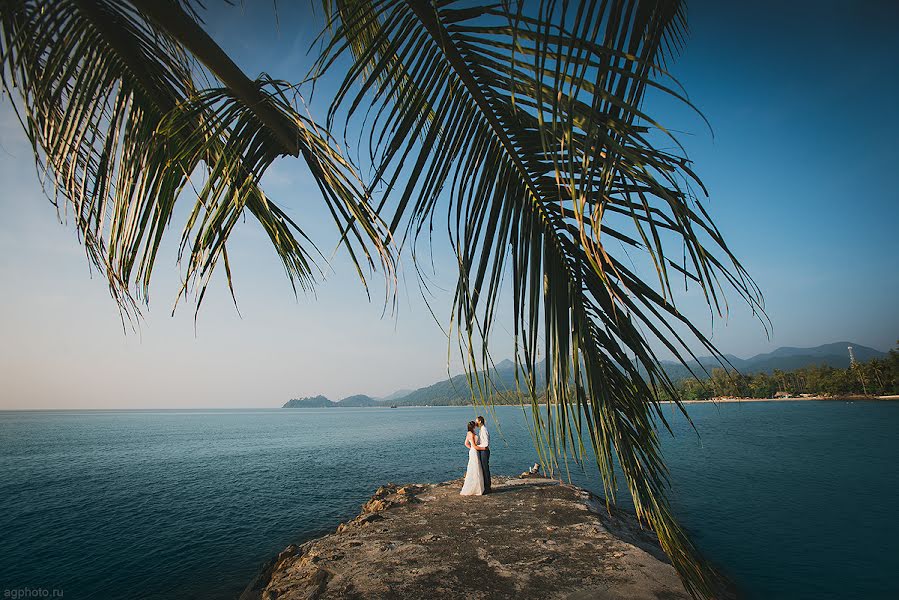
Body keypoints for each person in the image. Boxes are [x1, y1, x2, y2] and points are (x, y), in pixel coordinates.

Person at [460, 421, 486, 495]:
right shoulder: (471, 434)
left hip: (473, 451)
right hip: (474, 451)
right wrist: (483, 448)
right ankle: (477, 488)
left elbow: (466, 443)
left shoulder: (468, 433)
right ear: (473, 426)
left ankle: (477, 487)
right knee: (476, 467)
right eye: (475, 425)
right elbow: (474, 446)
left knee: (474, 467)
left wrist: (471, 448)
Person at [475, 415, 491, 493]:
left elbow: (486, 443)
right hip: (482, 451)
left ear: (480, 421)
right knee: (483, 468)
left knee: (485, 469)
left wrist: (477, 446)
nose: (476, 423)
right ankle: (485, 486)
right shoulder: (481, 429)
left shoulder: (484, 430)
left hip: (484, 451)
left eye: (476, 421)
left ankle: (488, 487)